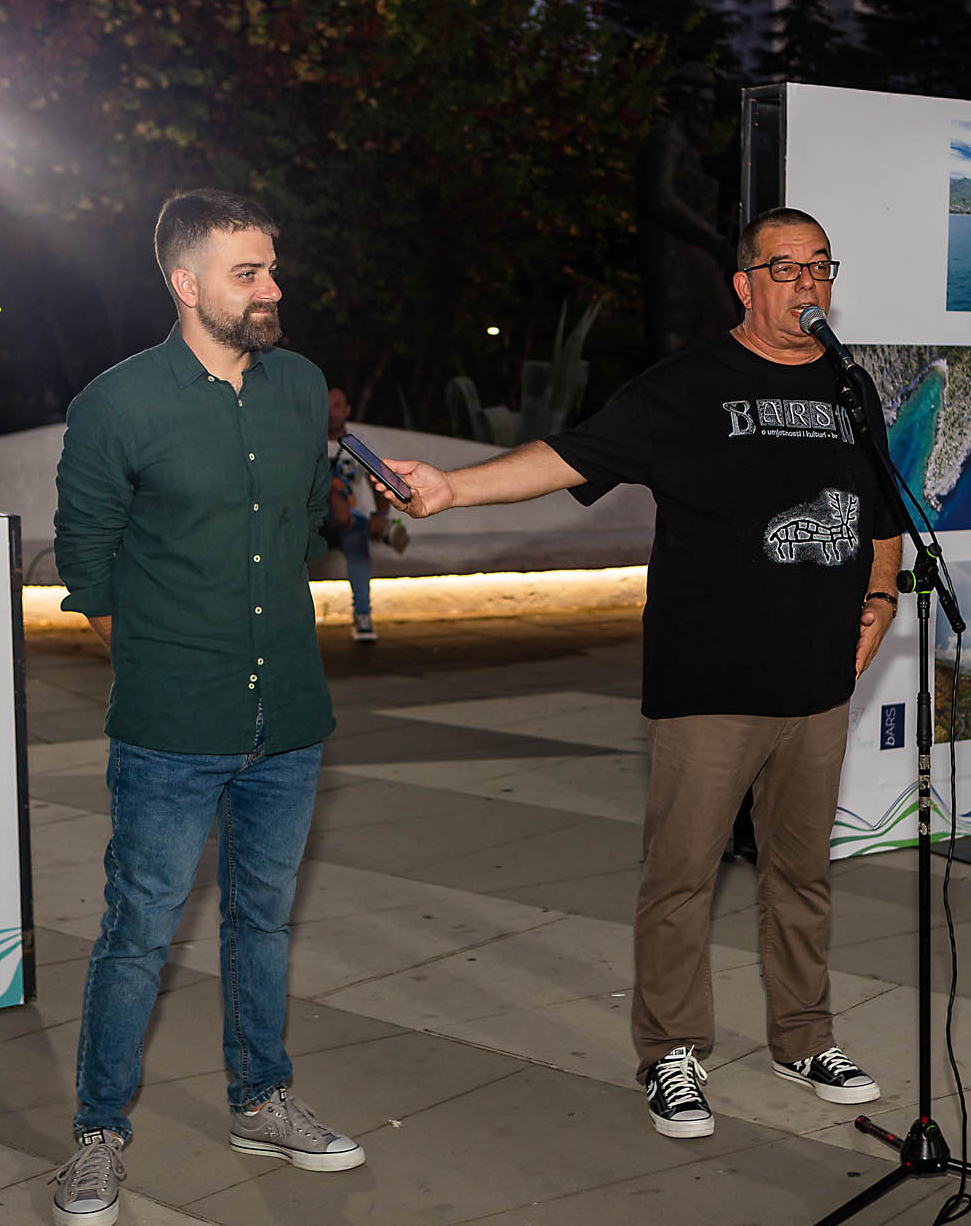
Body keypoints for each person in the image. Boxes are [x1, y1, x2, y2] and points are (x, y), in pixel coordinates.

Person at [371, 208, 902, 1140]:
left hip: (819, 684)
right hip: (710, 684)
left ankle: (804, 1037)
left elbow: (882, 514)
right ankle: (671, 1053)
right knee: (682, 879)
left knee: (801, 876)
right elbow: (570, 456)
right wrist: (455, 489)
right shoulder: (688, 385)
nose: (809, 283)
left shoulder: (849, 387)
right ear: (744, 286)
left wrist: (884, 597)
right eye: (786, 268)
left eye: (821, 266)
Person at [50, 190, 362, 1226]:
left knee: (262, 921)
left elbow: (305, 525)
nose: (273, 287)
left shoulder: (301, 387)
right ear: (187, 284)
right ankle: (98, 1134)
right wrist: (166, 664)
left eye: (272, 267)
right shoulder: (116, 404)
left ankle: (262, 1099)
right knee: (138, 931)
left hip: (292, 720)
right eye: (248, 272)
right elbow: (88, 566)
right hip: (171, 729)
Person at [323, 385, 399, 641]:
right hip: (314, 522)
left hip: (348, 524)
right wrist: (333, 497)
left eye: (336, 406)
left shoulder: (357, 444)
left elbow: (380, 480)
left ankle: (363, 616)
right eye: (326, 406)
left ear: (347, 410)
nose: (331, 412)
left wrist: (382, 514)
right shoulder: (308, 441)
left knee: (356, 540)